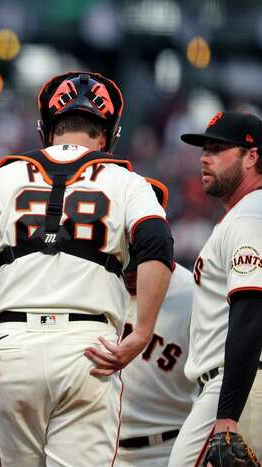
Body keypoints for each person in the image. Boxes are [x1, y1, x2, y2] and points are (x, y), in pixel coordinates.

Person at [0, 71, 174, 467]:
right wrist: (142, 332)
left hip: (12, 350)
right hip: (88, 348)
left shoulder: (2, 177)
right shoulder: (126, 181)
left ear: (47, 130)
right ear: (107, 135)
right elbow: (158, 244)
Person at [168, 111, 262, 466]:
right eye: (203, 149)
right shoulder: (245, 215)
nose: (204, 158)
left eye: (218, 148)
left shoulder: (250, 216)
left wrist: (227, 417)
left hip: (236, 388)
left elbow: (251, 315)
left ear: (252, 156)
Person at [115, 180, 198, 467]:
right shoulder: (95, 282)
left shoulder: (193, 296)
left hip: (169, 450)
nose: (131, 269)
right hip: (95, 448)